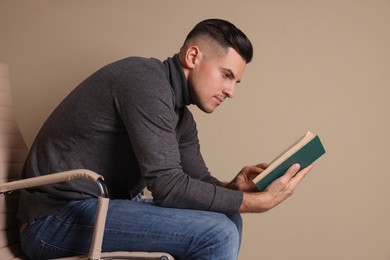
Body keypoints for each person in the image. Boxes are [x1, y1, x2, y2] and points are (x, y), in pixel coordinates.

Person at [17, 18, 313, 260]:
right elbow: (168, 188)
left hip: (98, 210)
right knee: (217, 233)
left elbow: (194, 180)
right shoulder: (144, 81)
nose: (230, 91)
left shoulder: (180, 116)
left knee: (230, 219)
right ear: (193, 56)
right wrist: (252, 202)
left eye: (235, 82)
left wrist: (232, 187)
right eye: (225, 75)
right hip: (53, 222)